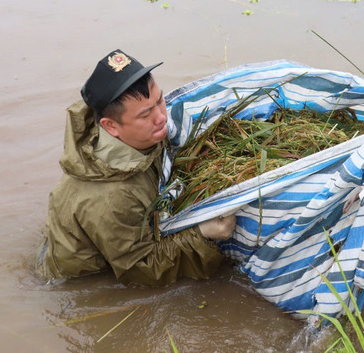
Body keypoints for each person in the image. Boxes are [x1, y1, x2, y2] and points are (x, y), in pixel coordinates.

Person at [37, 50, 236, 286]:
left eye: (159, 101)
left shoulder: (144, 134)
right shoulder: (111, 199)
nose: (161, 117)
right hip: (77, 280)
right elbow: (143, 270)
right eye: (145, 115)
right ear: (110, 126)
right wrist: (203, 234)